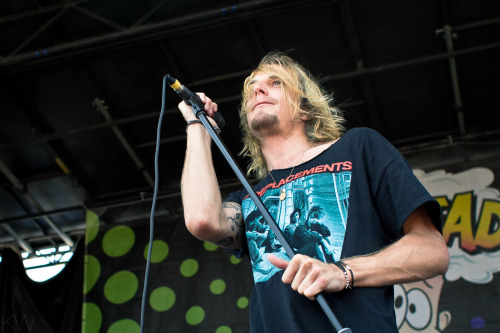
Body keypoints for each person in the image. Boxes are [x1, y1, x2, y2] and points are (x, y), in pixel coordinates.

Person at [178, 52, 449, 332]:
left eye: (276, 83)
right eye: (251, 89)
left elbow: (432, 251)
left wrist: (341, 272)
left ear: (305, 108)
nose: (257, 90)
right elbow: (202, 220)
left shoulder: (359, 147)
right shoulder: (249, 198)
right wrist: (197, 126)